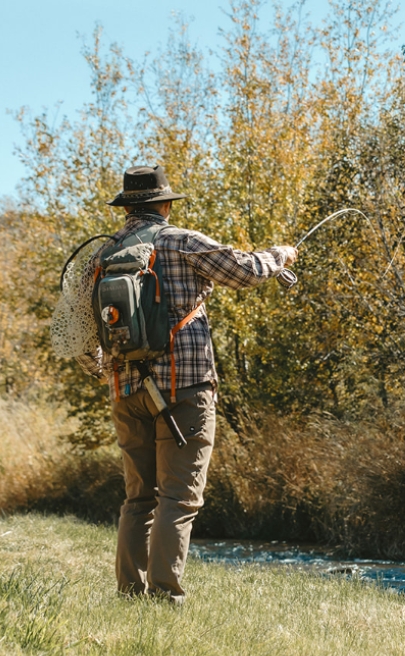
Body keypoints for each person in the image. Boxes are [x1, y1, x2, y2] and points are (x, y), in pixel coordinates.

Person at [76, 164, 297, 603]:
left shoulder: (99, 259)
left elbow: (83, 338)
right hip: (185, 387)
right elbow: (249, 271)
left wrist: (110, 369)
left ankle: (130, 595)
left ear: (127, 207)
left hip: (126, 392)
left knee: (138, 498)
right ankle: (164, 597)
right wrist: (283, 254)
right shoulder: (181, 241)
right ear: (164, 204)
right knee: (178, 497)